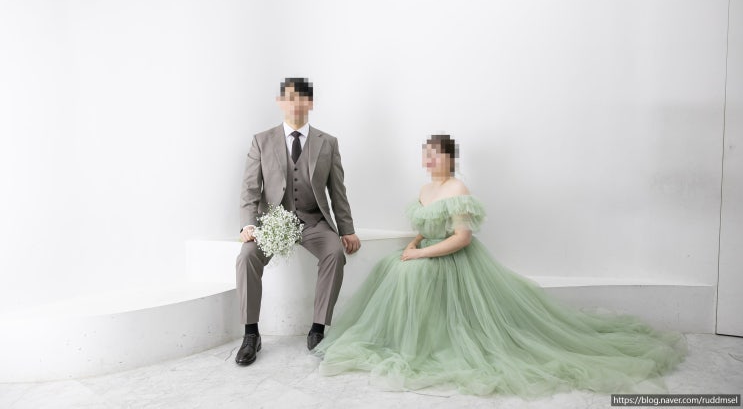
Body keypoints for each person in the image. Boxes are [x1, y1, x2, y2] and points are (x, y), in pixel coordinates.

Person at [313, 134, 687, 396]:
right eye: (425, 154)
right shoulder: (426, 190)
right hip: (428, 250)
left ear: (449, 158)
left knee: (414, 272)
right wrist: (413, 244)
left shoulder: (457, 189)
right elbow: (426, 227)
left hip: (453, 259)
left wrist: (422, 254)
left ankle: (433, 342)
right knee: (392, 268)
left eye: (435, 154)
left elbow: (462, 238)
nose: (429, 160)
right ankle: (403, 340)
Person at [236, 78, 361, 366]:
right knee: (246, 257)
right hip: (272, 224)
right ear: (280, 102)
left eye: (302, 98)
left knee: (334, 253)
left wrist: (347, 229)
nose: (296, 104)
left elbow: (337, 191)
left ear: (310, 103)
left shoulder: (328, 142)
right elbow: (250, 189)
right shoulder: (261, 140)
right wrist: (248, 225)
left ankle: (318, 329)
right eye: (290, 98)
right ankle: (251, 334)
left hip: (314, 222)